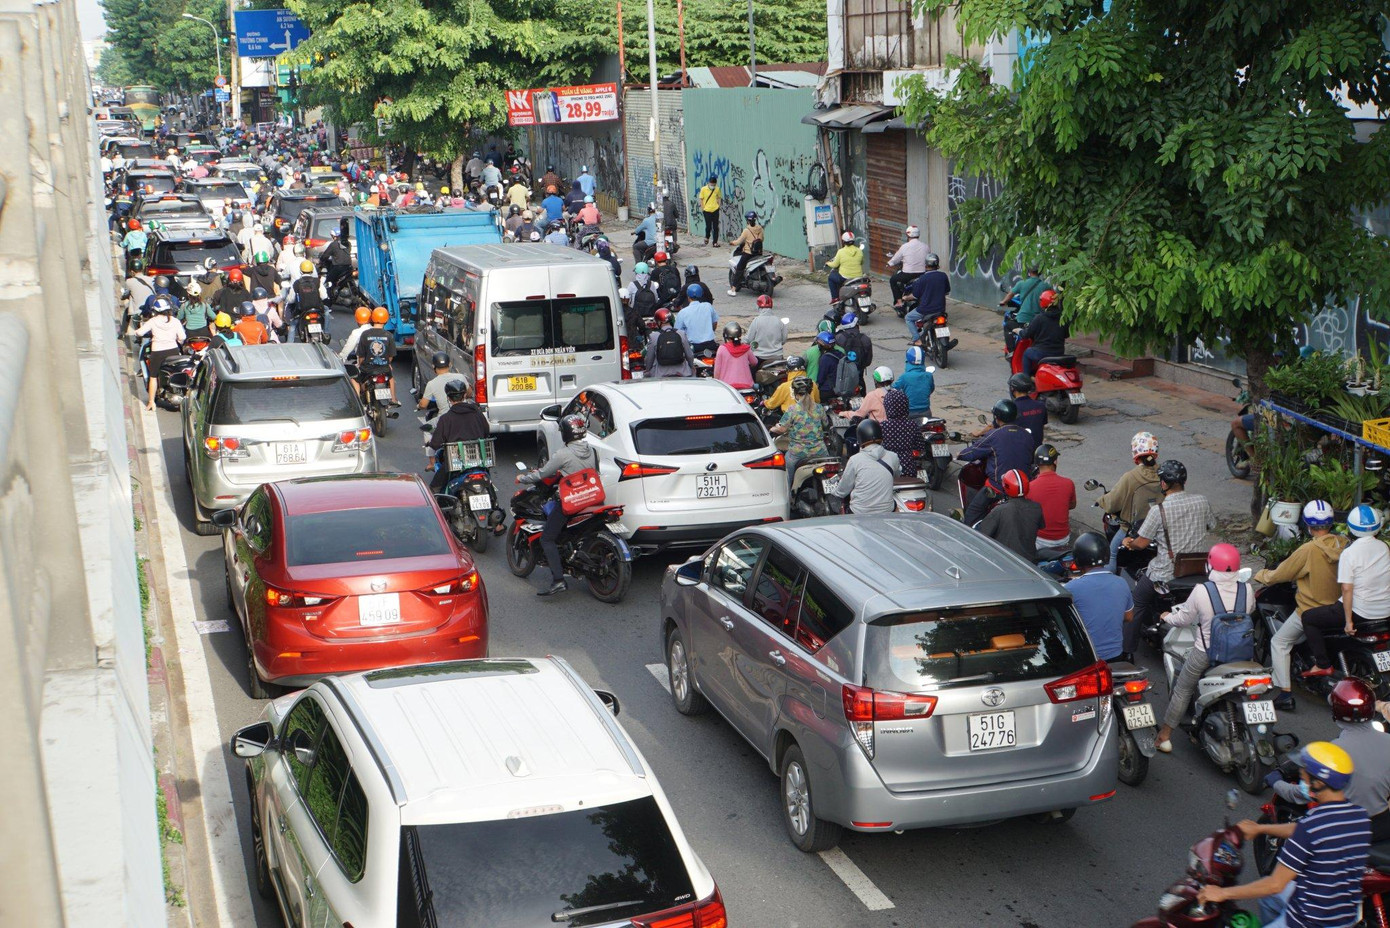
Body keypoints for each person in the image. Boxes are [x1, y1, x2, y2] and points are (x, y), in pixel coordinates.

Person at [1197, 741, 1369, 928]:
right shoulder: (1359, 816)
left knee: (1271, 889)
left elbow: (1275, 884)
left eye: (1304, 773)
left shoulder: (1311, 827)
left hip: (1310, 922)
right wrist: (1260, 829)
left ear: (1318, 783)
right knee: (1269, 900)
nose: (1300, 775)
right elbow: (1301, 829)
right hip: (1344, 915)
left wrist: (1222, 893)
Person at [1154, 542, 1254, 752]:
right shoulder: (1247, 589)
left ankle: (1164, 736)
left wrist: (1166, 616)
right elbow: (1249, 611)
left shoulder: (1202, 590)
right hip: (1241, 654)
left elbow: (1183, 618)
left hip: (1206, 653)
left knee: (1183, 688)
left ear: (1210, 566)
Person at [1267, 679, 1390, 843]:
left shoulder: (1335, 752)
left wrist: (1276, 783)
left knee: (1300, 841)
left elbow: (1303, 794)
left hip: (1346, 831)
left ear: (1336, 711)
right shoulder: (1387, 740)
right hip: (1382, 826)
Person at [1254, 500, 1346, 710]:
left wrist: (1263, 575)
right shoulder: (1342, 543)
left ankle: (1285, 694)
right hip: (1337, 609)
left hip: (1310, 609)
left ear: (1307, 524)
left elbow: (1283, 573)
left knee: (1279, 642)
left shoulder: (1309, 549)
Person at [1122, 459, 1216, 659]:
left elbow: (1141, 543)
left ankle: (1127, 652)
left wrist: (1129, 542)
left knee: (1137, 601)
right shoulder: (1201, 501)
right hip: (1198, 572)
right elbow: (1211, 525)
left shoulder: (1159, 511)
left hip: (1165, 574)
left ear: (1163, 484)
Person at [1301, 503, 1390, 678]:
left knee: (1309, 618)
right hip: (1385, 611)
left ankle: (1322, 664)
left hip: (1361, 612)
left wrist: (1348, 621)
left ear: (1350, 528)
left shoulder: (1350, 553)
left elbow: (1347, 588)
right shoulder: (1384, 548)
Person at [516, 413, 599, 596]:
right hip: (592, 499)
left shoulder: (562, 454)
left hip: (572, 502)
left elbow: (542, 474)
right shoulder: (592, 451)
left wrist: (523, 478)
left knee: (547, 538)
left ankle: (559, 580)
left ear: (566, 434)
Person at [958, 399, 1037, 525]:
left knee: (972, 512)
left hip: (998, 488)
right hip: (1023, 488)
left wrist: (959, 455)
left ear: (997, 417)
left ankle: (969, 533)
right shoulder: (1027, 435)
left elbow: (971, 453)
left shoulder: (995, 435)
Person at [1101, 431, 1164, 572]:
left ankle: (1111, 584)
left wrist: (1102, 501)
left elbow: (1112, 503)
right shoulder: (1164, 473)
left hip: (1133, 530)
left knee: (1110, 554)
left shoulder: (1130, 477)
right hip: (1160, 529)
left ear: (1135, 451)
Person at [1065, 532, 1133, 662]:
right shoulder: (1121, 582)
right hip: (1116, 655)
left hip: (1087, 657)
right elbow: (1129, 617)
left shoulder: (1071, 588)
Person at [427, 379, 490, 491]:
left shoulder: (446, 419)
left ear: (448, 398)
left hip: (455, 459)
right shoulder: (477, 413)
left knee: (434, 488)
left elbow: (436, 443)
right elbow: (486, 432)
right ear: (465, 395)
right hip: (479, 457)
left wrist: (432, 443)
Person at [975, 469, 1046, 560]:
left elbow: (983, 534)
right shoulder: (1036, 507)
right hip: (1029, 560)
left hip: (1005, 560)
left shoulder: (1000, 510)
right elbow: (1040, 526)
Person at [833, 419, 900, 514]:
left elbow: (843, 491)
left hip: (859, 512)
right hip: (887, 511)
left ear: (860, 438)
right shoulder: (893, 456)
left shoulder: (854, 460)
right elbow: (897, 475)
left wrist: (834, 493)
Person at [772, 376, 828, 489]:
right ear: (810, 391)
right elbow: (825, 425)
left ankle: (788, 496)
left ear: (795, 392)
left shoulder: (793, 409)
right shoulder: (819, 408)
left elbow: (782, 429)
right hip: (820, 450)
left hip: (797, 452)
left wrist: (772, 429)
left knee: (786, 476)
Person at [135, 297, 186, 412]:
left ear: (155, 310)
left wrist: (136, 332)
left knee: (153, 377)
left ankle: (151, 402)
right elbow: (182, 337)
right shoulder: (175, 321)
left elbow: (140, 332)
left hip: (157, 352)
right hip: (173, 351)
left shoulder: (153, 321)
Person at [1028, 443, 1076, 560]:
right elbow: (1072, 505)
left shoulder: (1030, 487)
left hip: (1040, 540)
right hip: (1064, 539)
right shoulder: (1068, 483)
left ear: (1037, 464)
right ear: (1055, 462)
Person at [905, 253, 953, 346]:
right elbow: (947, 291)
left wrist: (906, 297)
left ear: (926, 265)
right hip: (940, 309)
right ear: (937, 265)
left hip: (925, 310)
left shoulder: (922, 278)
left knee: (908, 318)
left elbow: (915, 295)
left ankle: (917, 339)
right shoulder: (943, 276)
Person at [354, 306, 399, 405]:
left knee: (355, 380)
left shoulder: (365, 334)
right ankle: (393, 399)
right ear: (386, 320)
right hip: (384, 369)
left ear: (372, 318)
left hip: (368, 369)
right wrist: (387, 363)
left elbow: (361, 356)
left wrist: (360, 365)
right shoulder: (389, 335)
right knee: (391, 378)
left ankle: (358, 403)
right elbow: (391, 356)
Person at [1019, 289, 1067, 377]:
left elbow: (1026, 334)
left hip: (1042, 353)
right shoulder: (1063, 318)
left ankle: (1026, 379)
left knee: (1027, 353)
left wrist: (1019, 331)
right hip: (1059, 352)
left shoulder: (1039, 318)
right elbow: (1066, 334)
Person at [879, 388, 926, 479]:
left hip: (888, 470)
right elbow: (920, 447)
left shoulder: (882, 426)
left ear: (887, 406)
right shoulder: (912, 425)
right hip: (909, 470)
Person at [1000, 267, 1050, 351]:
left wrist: (1003, 302)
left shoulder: (1021, 283)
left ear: (1029, 272)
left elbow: (1010, 294)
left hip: (1023, 320)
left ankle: (1011, 350)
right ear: (1040, 272)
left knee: (1008, 326)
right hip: (1039, 321)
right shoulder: (1045, 286)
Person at [644, 308, 694, 378]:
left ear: (658, 322)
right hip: (683, 373)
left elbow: (649, 359)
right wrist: (692, 367)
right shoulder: (681, 334)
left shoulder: (654, 336)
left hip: (660, 374)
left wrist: (647, 370)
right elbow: (689, 355)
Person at [887, 226, 931, 304]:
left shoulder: (904, 247)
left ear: (908, 235)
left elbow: (896, 258)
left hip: (908, 274)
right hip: (922, 273)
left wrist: (890, 263)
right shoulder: (926, 246)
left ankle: (899, 302)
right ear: (918, 235)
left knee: (893, 280)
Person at [835, 312, 873, 394]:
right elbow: (868, 361)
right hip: (859, 375)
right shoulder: (865, 339)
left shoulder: (838, 338)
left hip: (842, 376)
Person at [674, 284, 719, 356]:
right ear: (701, 295)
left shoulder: (683, 312)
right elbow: (715, 323)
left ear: (688, 297)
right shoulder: (708, 306)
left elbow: (677, 332)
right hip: (710, 344)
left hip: (694, 347)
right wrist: (710, 331)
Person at [727, 210, 764, 296]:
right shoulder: (760, 228)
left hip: (748, 253)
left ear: (747, 220)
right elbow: (762, 239)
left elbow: (739, 241)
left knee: (739, 268)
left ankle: (733, 289)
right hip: (758, 253)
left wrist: (732, 242)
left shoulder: (746, 230)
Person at [713, 322, 757, 389]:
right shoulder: (746, 348)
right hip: (747, 385)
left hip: (727, 386)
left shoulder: (722, 349)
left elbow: (717, 371)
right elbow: (754, 362)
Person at [1010, 372, 1048, 449]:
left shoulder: (1011, 408)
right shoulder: (1041, 406)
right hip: (1037, 449)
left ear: (1013, 389)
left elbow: (996, 428)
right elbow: (1041, 426)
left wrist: (978, 433)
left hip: (1018, 451)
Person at [746, 294, 786, 364]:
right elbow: (784, 339)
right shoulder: (779, 321)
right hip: (777, 356)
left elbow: (749, 339)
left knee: (749, 373)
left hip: (760, 357)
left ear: (758, 307)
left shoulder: (756, 321)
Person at [896, 346, 935, 416]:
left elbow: (894, 390)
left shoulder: (904, 377)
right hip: (926, 411)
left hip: (909, 413)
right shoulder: (929, 376)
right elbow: (931, 389)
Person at [825, 231, 863, 302]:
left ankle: (835, 298)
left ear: (844, 242)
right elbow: (861, 262)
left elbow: (835, 265)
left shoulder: (841, 251)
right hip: (858, 276)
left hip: (845, 277)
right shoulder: (859, 251)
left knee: (831, 277)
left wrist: (828, 263)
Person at [416, 351, 456, 417]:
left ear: (433, 366)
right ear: (450, 364)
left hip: (444, 419)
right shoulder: (461, 377)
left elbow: (423, 405)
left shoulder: (431, 384)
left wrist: (419, 405)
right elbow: (469, 393)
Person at [813, 332, 848, 402]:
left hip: (828, 390)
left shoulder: (825, 358)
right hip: (842, 387)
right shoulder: (840, 354)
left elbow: (821, 378)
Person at [698, 176, 721, 245]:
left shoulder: (717, 189)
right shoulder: (703, 189)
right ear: (709, 183)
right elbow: (701, 199)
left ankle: (715, 242)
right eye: (711, 184)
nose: (712, 186)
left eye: (714, 185)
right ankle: (707, 237)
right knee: (708, 226)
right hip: (707, 210)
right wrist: (703, 208)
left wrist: (719, 205)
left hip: (715, 210)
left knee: (715, 227)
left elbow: (719, 197)